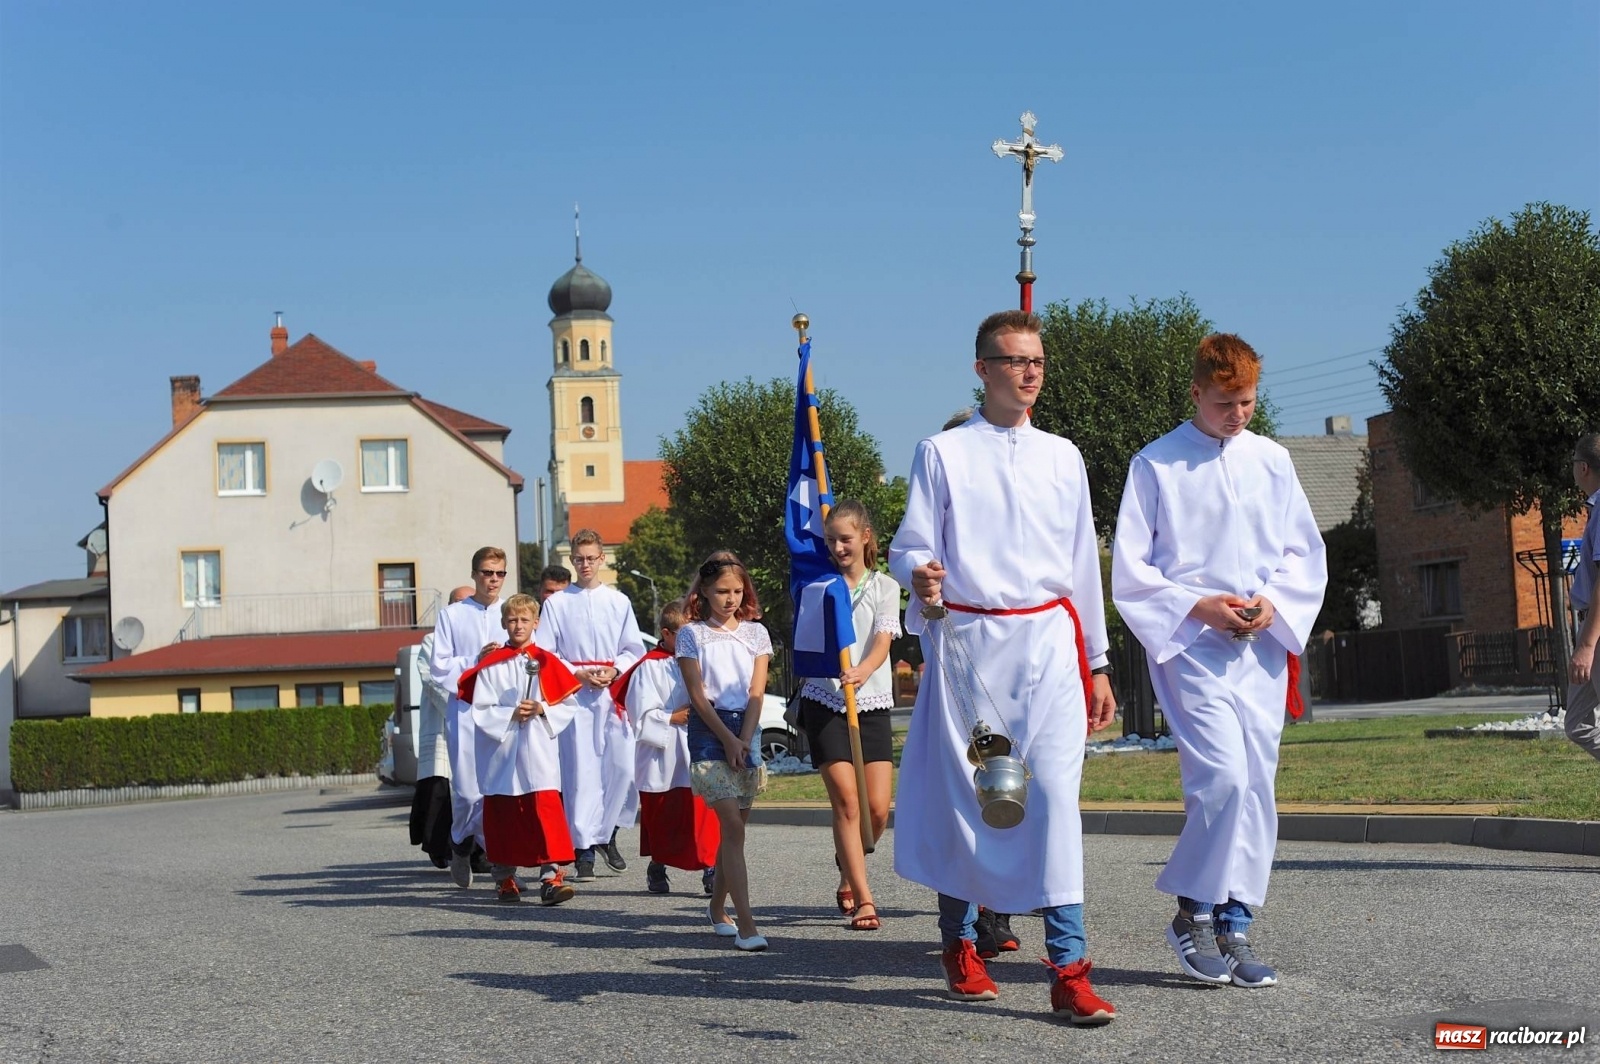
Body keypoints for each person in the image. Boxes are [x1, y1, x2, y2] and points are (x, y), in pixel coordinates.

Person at [887, 310, 1118, 1023]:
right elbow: (909, 545)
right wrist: (922, 574)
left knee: (1050, 801)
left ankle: (1069, 969)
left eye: (1037, 361)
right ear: (982, 368)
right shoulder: (943, 452)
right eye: (1014, 360)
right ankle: (960, 944)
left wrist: (1098, 662)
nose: (1029, 373)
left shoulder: (1064, 455)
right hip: (970, 649)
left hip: (1049, 645)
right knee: (976, 802)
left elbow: (1083, 565)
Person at [1111, 332, 1327, 989]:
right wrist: (1198, 606)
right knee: (1224, 778)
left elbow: (1303, 553)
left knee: (1256, 783)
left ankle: (1235, 920)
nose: (1239, 414)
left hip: (1258, 649)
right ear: (1196, 393)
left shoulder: (1273, 460)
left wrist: (1273, 604)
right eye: (1226, 402)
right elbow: (1132, 571)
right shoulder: (1157, 464)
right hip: (1192, 648)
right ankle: (1192, 913)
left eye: (1249, 402)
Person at [794, 499, 900, 931]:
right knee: (847, 803)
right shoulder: (818, 586)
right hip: (826, 701)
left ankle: (846, 867)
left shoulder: (885, 587)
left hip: (870, 700)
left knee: (876, 810)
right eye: (831, 539)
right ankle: (865, 899)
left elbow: (882, 638)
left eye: (846, 539)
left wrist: (864, 669)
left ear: (865, 538)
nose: (838, 547)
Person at [457, 594, 583, 906]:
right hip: (502, 749)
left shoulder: (547, 662)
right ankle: (504, 877)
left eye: (524, 620)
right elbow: (481, 708)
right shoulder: (491, 666)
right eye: (512, 620)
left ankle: (551, 876)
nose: (518, 625)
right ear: (503, 623)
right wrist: (509, 713)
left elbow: (568, 704)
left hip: (537, 747)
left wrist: (541, 708)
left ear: (535, 623)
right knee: (504, 815)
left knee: (544, 811)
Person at [535, 530, 646, 881]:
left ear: (602, 559)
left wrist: (615, 669)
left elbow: (633, 648)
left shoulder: (618, 601)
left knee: (622, 769)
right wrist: (578, 674)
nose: (585, 564)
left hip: (611, 696)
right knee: (581, 773)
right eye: (579, 558)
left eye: (591, 558)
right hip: (576, 697)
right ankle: (583, 849)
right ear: (572, 560)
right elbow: (546, 653)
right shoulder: (557, 603)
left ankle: (608, 832)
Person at [677, 551, 771, 952]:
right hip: (709, 729)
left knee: (736, 833)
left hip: (746, 728)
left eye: (737, 591)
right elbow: (697, 697)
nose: (731, 598)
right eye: (722, 591)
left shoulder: (756, 633)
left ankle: (717, 909)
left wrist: (744, 739)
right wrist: (728, 740)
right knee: (731, 827)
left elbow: (756, 691)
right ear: (704, 592)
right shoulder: (691, 634)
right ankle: (747, 924)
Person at [611, 600, 720, 895]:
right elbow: (639, 712)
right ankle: (658, 864)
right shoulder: (649, 667)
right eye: (683, 635)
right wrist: (672, 717)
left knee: (704, 812)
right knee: (665, 814)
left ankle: (711, 868)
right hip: (664, 750)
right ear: (666, 633)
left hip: (698, 745)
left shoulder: (701, 659)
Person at [429, 547, 510, 888]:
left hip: (502, 710)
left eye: (499, 574)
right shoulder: (452, 615)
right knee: (466, 791)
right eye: (487, 573)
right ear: (475, 574)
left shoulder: (512, 614)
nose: (493, 580)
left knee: (500, 788)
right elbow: (439, 667)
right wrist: (475, 661)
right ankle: (460, 841)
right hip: (464, 708)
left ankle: (501, 860)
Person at [408, 585, 476, 868]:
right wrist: (463, 706)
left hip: (476, 721)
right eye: (457, 603)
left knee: (477, 790)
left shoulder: (477, 639)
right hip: (446, 720)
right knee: (440, 789)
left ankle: (479, 851)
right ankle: (440, 847)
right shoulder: (432, 640)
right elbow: (434, 680)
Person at [1565, 433, 1600, 762]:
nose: (1572, 467)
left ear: (1584, 467)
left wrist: (1587, 647)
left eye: (1574, 461)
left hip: (1597, 632)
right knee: (1577, 724)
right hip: (1591, 626)